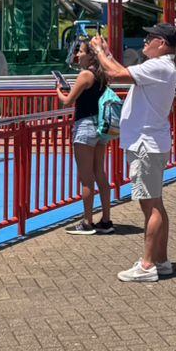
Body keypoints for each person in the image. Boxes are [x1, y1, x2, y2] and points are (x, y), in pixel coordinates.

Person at [90, 23, 176, 282]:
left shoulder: (159, 66)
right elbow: (122, 70)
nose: (145, 41)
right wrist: (107, 53)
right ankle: (160, 260)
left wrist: (99, 52)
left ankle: (147, 264)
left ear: (162, 43)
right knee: (155, 203)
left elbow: (115, 74)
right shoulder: (160, 67)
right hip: (150, 143)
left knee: (150, 206)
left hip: (145, 144)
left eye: (150, 37)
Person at [57, 41, 114, 236]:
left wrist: (58, 90)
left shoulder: (85, 75)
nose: (77, 55)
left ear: (90, 55)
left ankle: (87, 222)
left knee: (86, 178)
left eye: (80, 52)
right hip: (100, 126)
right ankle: (106, 220)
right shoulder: (102, 75)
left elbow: (67, 101)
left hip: (85, 127)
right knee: (100, 173)